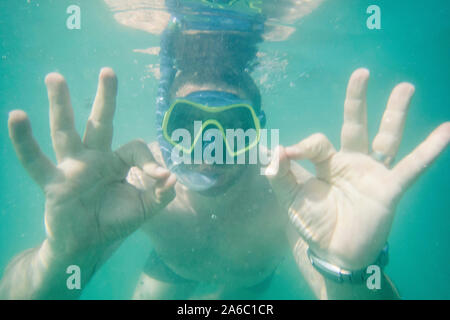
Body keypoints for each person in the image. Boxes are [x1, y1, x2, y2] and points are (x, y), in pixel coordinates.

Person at [1, 2, 449, 300]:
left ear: (258, 133)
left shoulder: (289, 194)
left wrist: (348, 270)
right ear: (165, 129)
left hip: (252, 286)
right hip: (171, 268)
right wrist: (60, 257)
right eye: (187, 127)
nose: (208, 152)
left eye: (232, 127)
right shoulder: (136, 187)